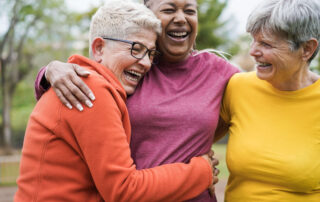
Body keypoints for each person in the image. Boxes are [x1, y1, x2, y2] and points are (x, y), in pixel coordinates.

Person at [34, 0, 239, 201]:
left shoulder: (219, 72)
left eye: (190, 11)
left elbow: (260, 96)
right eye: (169, 9)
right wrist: (48, 71)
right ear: (148, 13)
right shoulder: (133, 66)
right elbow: (81, 85)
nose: (180, 18)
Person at [217, 0, 320, 201]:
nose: (253, 51)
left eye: (266, 43)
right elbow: (195, 141)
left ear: (307, 49)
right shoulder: (237, 87)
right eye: (253, 41)